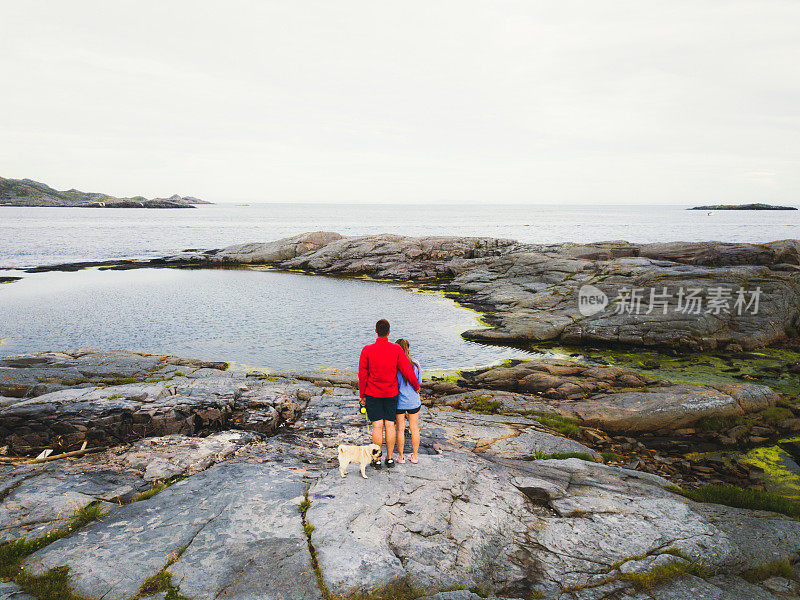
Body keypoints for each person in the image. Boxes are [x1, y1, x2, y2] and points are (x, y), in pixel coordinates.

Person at [358, 319, 420, 468]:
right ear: (389, 331)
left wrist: (362, 395)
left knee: (377, 426)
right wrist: (416, 386)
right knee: (390, 425)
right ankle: (390, 458)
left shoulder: (367, 349)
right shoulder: (396, 349)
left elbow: (362, 375)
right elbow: (407, 370)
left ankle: (377, 460)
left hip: (373, 393)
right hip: (391, 394)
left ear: (375, 331)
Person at [394, 338, 421, 464]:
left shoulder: (394, 365)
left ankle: (400, 457)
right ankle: (414, 456)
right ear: (408, 348)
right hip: (413, 401)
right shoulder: (416, 364)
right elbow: (419, 383)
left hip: (399, 401)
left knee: (400, 429)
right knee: (414, 428)